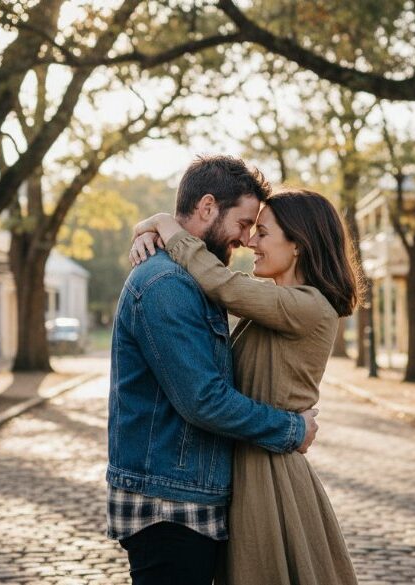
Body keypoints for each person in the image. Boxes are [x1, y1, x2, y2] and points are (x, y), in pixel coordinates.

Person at [107, 155, 320, 585]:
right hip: (168, 503)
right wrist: (292, 429)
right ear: (207, 208)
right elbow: (202, 399)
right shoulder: (167, 284)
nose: (246, 239)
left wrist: (155, 224)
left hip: (188, 495)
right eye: (244, 223)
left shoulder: (192, 279)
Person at [131, 187, 361, 585]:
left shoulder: (308, 306)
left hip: (268, 475)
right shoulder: (275, 304)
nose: (250, 242)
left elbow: (221, 284)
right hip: (248, 460)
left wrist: (166, 225)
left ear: (298, 246)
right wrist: (147, 227)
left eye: (263, 233)